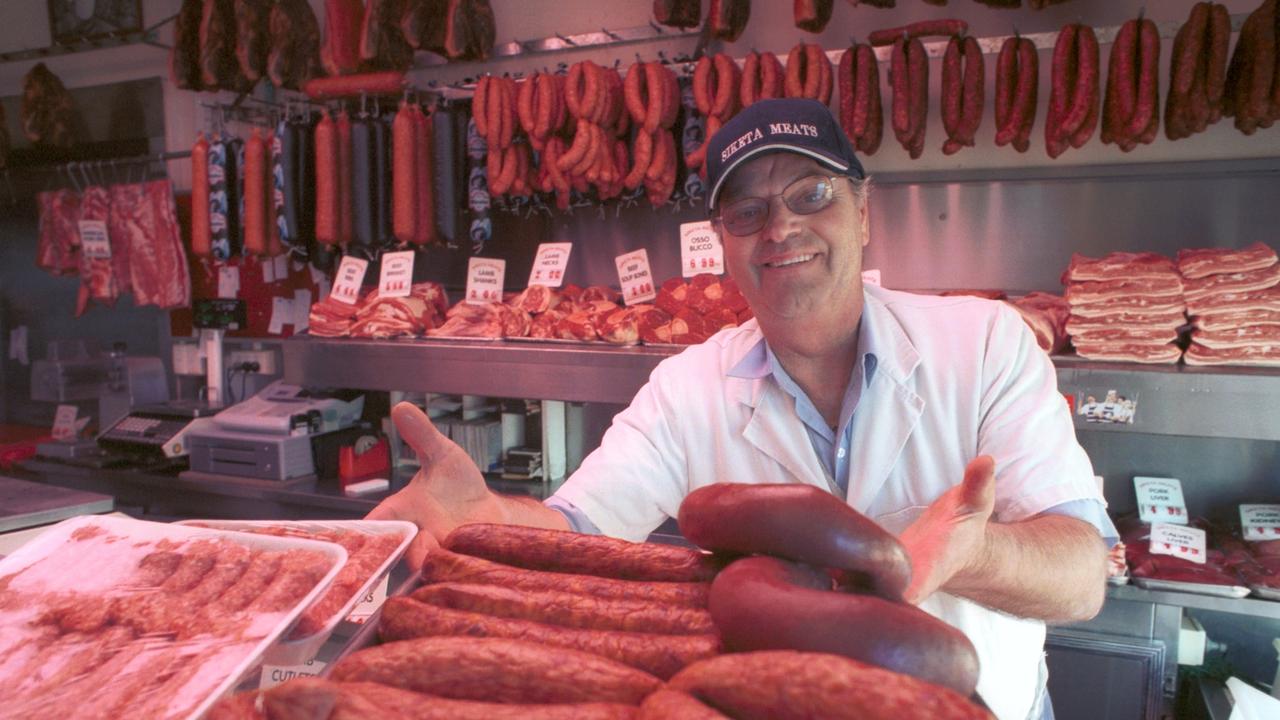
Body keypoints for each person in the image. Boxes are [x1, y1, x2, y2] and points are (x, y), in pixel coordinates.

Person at [369, 99, 1113, 720]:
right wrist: (487, 522)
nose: (780, 228)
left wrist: (974, 553)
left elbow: (1082, 577)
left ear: (862, 212)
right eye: (748, 210)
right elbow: (578, 531)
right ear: (723, 242)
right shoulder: (687, 386)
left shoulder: (983, 344)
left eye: (811, 195)